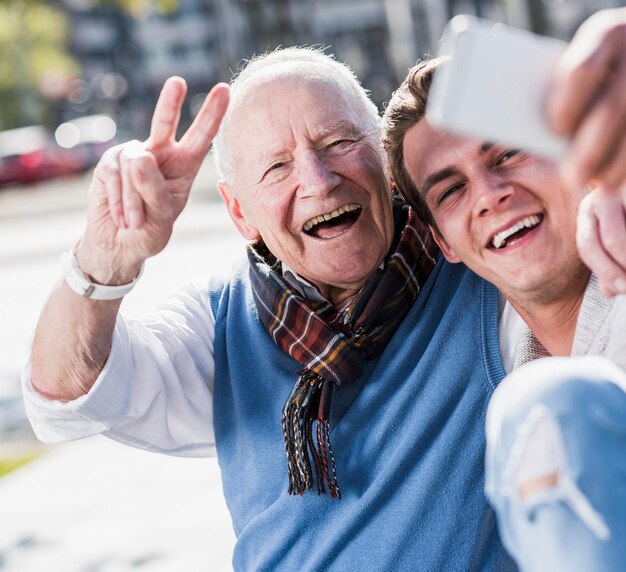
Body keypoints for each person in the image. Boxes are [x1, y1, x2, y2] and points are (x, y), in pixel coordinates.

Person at [22, 11, 625, 572]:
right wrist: (102, 260)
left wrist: (595, 180)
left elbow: (556, 204)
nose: (317, 180)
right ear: (240, 214)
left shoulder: (468, 253)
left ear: (386, 169)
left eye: (339, 143)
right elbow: (66, 395)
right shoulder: (220, 322)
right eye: (276, 167)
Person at [381, 9, 626, 571]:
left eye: (508, 153)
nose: (490, 194)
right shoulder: (488, 362)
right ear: (443, 242)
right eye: (451, 190)